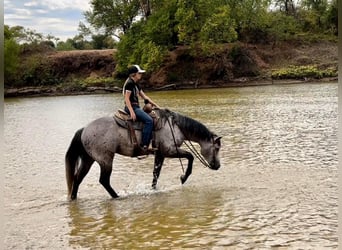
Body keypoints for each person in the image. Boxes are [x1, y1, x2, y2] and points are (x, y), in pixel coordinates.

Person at [123, 64, 159, 154]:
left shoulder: (136, 84)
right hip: (132, 107)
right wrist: (131, 111)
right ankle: (144, 145)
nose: (141, 75)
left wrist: (156, 105)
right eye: (139, 73)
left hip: (136, 107)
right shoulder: (129, 83)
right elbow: (126, 98)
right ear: (133, 75)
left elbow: (144, 96)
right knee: (149, 120)